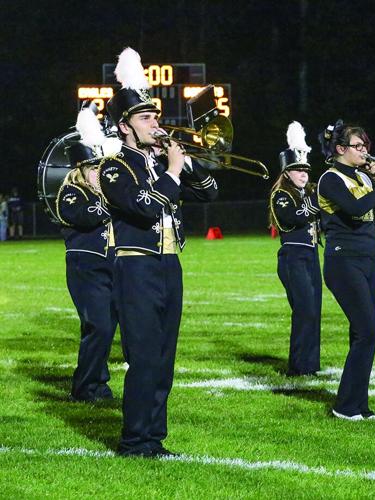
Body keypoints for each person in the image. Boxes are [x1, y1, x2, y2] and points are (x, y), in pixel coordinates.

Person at [99, 47, 218, 457]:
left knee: (165, 359)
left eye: (155, 116)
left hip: (169, 265)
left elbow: (209, 192)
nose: (156, 123)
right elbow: (144, 205)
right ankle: (134, 439)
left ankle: (155, 438)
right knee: (146, 357)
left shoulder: (160, 161)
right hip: (136, 268)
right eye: (146, 118)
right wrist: (170, 171)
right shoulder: (115, 167)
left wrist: (187, 163)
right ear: (125, 126)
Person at [317, 119, 375, 421]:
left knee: (362, 334)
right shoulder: (329, 179)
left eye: (365, 145)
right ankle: (345, 406)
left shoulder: (364, 177)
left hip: (370, 259)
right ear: (340, 149)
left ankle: (358, 405)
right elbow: (355, 211)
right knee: (368, 332)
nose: (364, 151)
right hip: (344, 261)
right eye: (357, 146)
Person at [58, 105, 122, 402]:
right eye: (96, 168)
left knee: (107, 328)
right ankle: (84, 387)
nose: (101, 173)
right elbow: (86, 215)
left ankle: (98, 382)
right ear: (82, 169)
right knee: (99, 325)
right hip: (86, 269)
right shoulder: (71, 193)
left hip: (111, 268)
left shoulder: (107, 194)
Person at [269, 121, 322, 376]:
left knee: (315, 311)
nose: (303, 174)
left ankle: (311, 365)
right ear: (287, 172)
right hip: (293, 256)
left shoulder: (306, 194)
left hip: (311, 255)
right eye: (298, 170)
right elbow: (292, 218)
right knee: (305, 310)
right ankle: (298, 366)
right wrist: (316, 201)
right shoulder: (281, 194)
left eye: (306, 170)